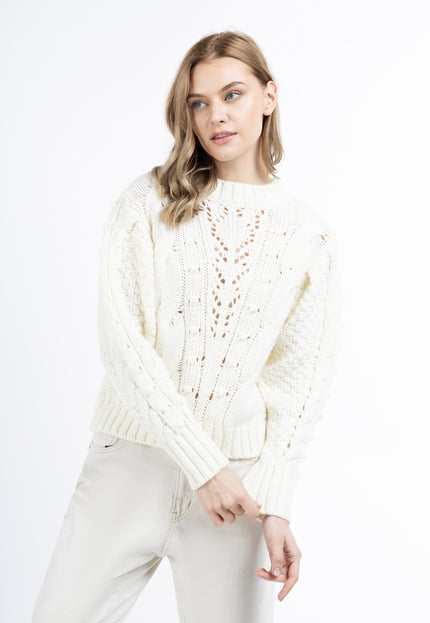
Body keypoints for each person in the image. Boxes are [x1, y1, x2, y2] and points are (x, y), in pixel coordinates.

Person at [31, 30, 342, 623]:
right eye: (199, 103)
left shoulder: (309, 236)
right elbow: (122, 342)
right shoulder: (148, 201)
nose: (216, 115)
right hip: (131, 466)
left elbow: (300, 383)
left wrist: (276, 503)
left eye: (233, 94)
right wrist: (204, 466)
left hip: (237, 493)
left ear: (269, 96)